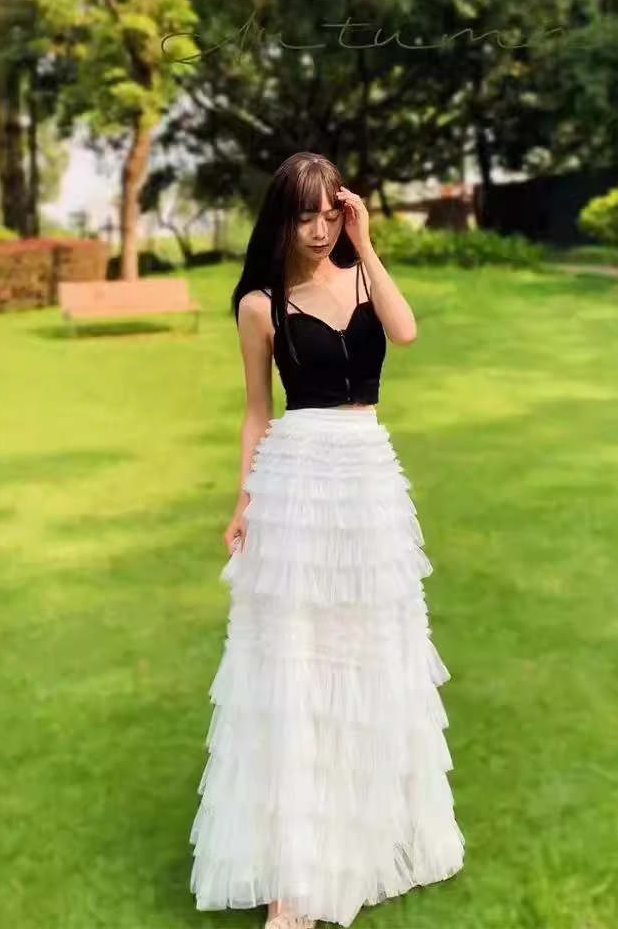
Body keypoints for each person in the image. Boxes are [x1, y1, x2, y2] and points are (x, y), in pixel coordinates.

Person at [189, 151, 464, 929]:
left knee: (368, 650)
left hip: (368, 476)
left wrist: (367, 243)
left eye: (329, 214)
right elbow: (256, 411)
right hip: (296, 481)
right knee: (297, 663)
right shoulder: (259, 306)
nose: (318, 230)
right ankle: (293, 879)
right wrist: (243, 501)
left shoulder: (363, 277)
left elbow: (405, 332)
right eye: (304, 215)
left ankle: (364, 835)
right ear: (282, 218)